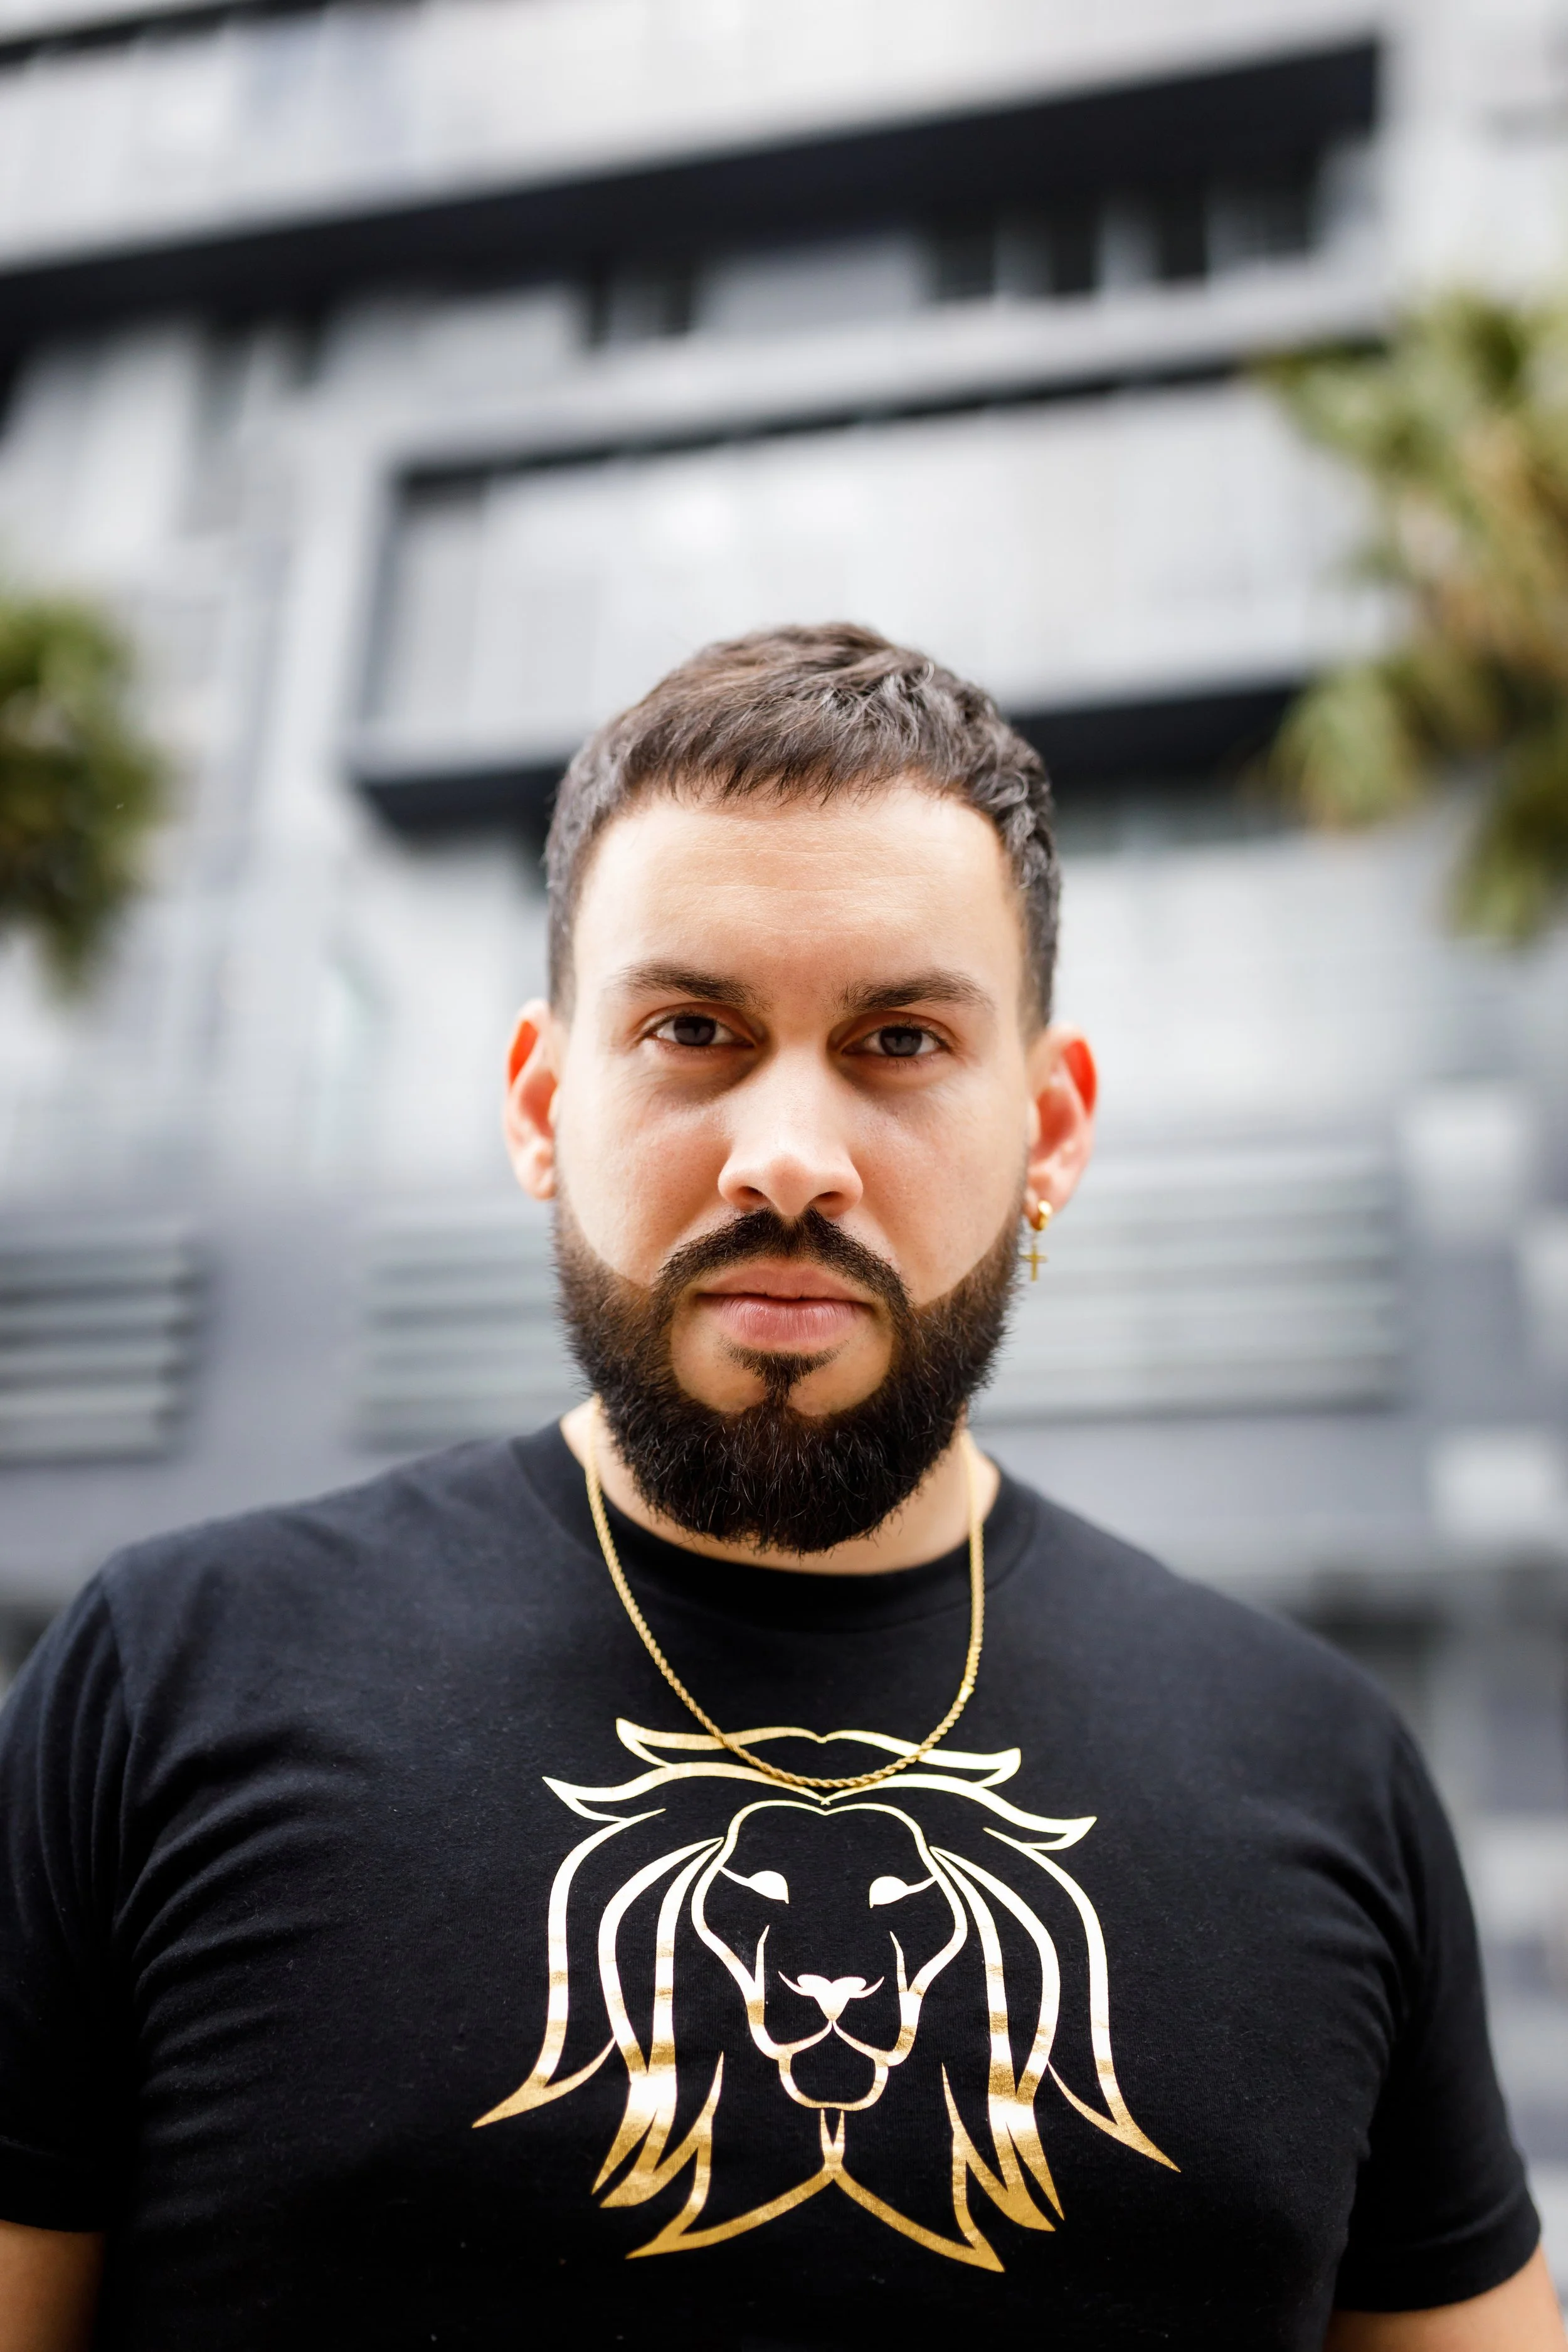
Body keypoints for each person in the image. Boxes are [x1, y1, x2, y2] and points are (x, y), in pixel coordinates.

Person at [0, 625, 1559, 2352]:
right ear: (541, 1101)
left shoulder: (1318, 1763)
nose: (790, 1155)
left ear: (1049, 1129)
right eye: (691, 1028)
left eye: (897, 1039)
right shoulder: (170, 1677)